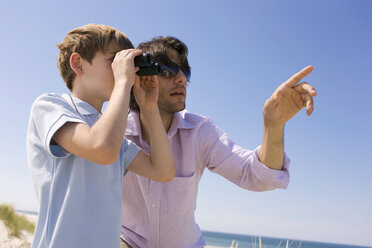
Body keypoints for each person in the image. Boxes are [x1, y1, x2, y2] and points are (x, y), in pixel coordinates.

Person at [120, 36, 317, 248]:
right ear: (139, 76)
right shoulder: (116, 131)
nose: (181, 79)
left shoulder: (199, 131)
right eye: (167, 70)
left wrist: (274, 126)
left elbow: (260, 177)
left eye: (185, 72)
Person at [26, 24, 175, 248]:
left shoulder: (113, 135)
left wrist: (149, 108)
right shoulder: (51, 105)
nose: (124, 70)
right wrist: (123, 83)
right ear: (77, 64)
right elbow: (101, 149)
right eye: (114, 60)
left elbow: (163, 171)